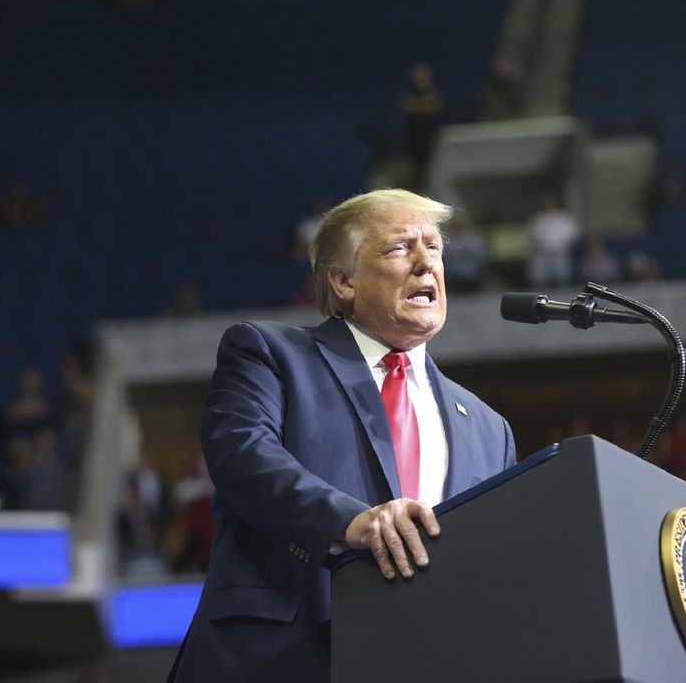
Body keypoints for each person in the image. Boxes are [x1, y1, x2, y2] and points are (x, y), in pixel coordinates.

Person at [169, 189, 515, 682]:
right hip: (280, 660)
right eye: (400, 248)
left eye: (434, 248)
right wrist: (352, 521)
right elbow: (243, 457)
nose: (425, 264)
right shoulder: (271, 355)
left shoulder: (488, 427)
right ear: (344, 279)